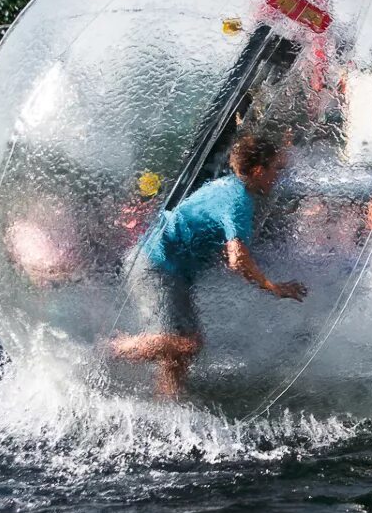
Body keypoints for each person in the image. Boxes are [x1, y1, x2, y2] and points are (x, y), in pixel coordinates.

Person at [112, 135, 307, 398]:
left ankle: (167, 401)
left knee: (180, 354)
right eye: (276, 170)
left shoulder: (229, 186)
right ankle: (112, 349)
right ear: (259, 171)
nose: (278, 177)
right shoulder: (239, 201)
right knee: (188, 344)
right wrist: (270, 286)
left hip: (167, 269)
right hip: (156, 266)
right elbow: (237, 257)